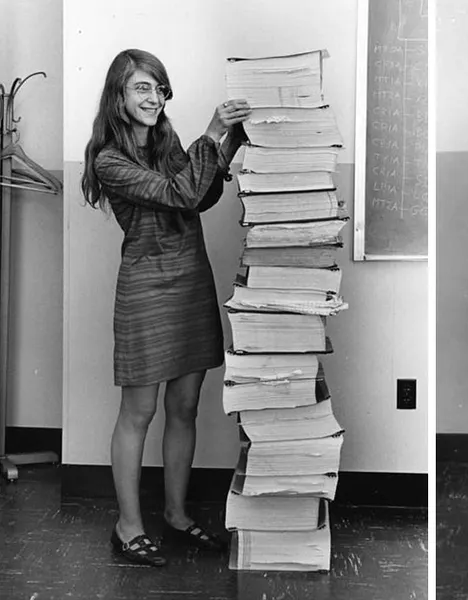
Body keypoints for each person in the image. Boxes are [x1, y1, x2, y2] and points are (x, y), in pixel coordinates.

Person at [81, 49, 251, 566]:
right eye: (141, 88)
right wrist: (212, 130)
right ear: (119, 94)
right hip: (146, 287)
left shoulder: (166, 139)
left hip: (188, 279)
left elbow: (198, 196)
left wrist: (233, 138)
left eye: (158, 88)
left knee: (183, 407)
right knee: (140, 411)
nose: (154, 98)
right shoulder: (109, 159)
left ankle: (176, 514)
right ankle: (127, 526)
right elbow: (179, 192)